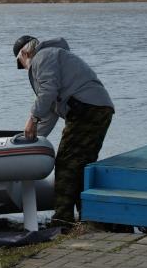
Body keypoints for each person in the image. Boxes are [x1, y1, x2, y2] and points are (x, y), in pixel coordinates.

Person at [13, 35, 114, 226]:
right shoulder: (54, 57)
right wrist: (34, 138)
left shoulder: (42, 57)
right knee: (81, 164)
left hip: (86, 110)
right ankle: (89, 217)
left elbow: (47, 92)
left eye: (21, 64)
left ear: (24, 54)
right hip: (98, 108)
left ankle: (62, 220)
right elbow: (51, 109)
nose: (24, 68)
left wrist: (32, 118)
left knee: (66, 164)